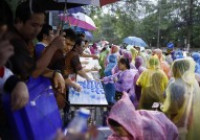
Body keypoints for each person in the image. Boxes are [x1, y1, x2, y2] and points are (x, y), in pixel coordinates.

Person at [107, 92, 178, 140]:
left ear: (127, 125)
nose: (118, 133)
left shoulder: (150, 130)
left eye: (119, 131)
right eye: (115, 131)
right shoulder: (128, 125)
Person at [162, 58, 200, 139]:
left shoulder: (175, 85)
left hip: (177, 124)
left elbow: (173, 109)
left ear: (176, 69)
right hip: (190, 121)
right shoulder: (192, 83)